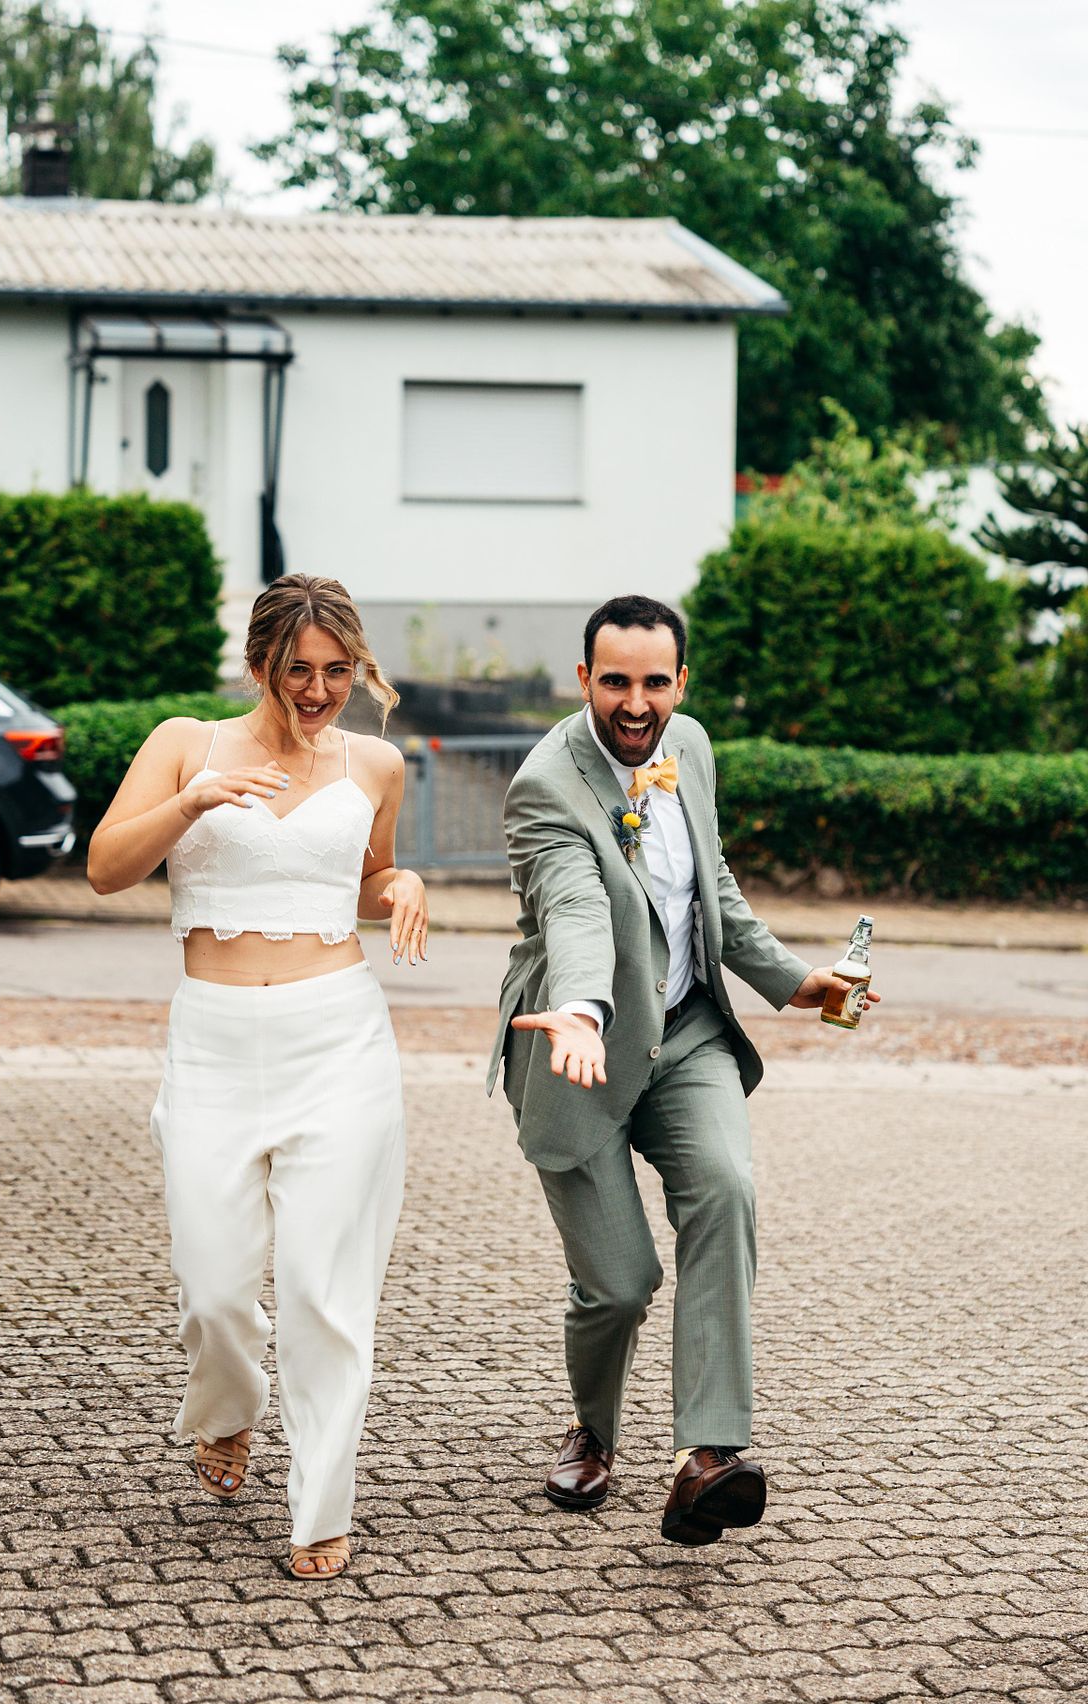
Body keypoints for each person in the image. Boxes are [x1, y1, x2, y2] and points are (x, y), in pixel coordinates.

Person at [487, 594, 879, 1547]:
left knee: (728, 1188)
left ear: (680, 683)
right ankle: (594, 1427)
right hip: (576, 1049)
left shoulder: (691, 747)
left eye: (653, 682)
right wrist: (580, 1010)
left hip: (688, 1027)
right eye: (613, 681)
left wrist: (792, 981)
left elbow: (713, 883)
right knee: (619, 1286)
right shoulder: (545, 785)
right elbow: (577, 908)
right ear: (583, 680)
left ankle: (710, 1454)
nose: (634, 702)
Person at [88, 573, 427, 1581]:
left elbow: (361, 883)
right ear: (259, 666)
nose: (319, 691)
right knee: (213, 1284)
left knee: (325, 1288)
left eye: (337, 672)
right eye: (299, 672)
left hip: (339, 1040)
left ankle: (320, 1503)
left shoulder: (376, 762)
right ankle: (229, 1406)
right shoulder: (184, 743)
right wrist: (191, 802)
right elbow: (105, 868)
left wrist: (400, 882)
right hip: (217, 1044)